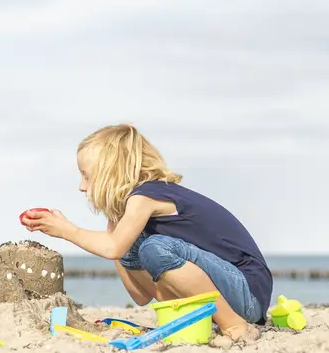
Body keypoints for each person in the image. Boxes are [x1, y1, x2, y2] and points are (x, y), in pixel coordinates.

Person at [21, 123, 272, 341]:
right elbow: (141, 296)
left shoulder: (147, 196)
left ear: (111, 171)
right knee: (140, 245)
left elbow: (112, 247)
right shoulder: (134, 210)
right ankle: (210, 319)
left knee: (155, 248)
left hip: (247, 293)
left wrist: (67, 230)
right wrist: (115, 233)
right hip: (230, 294)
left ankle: (235, 325)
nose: (81, 186)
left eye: (87, 176)